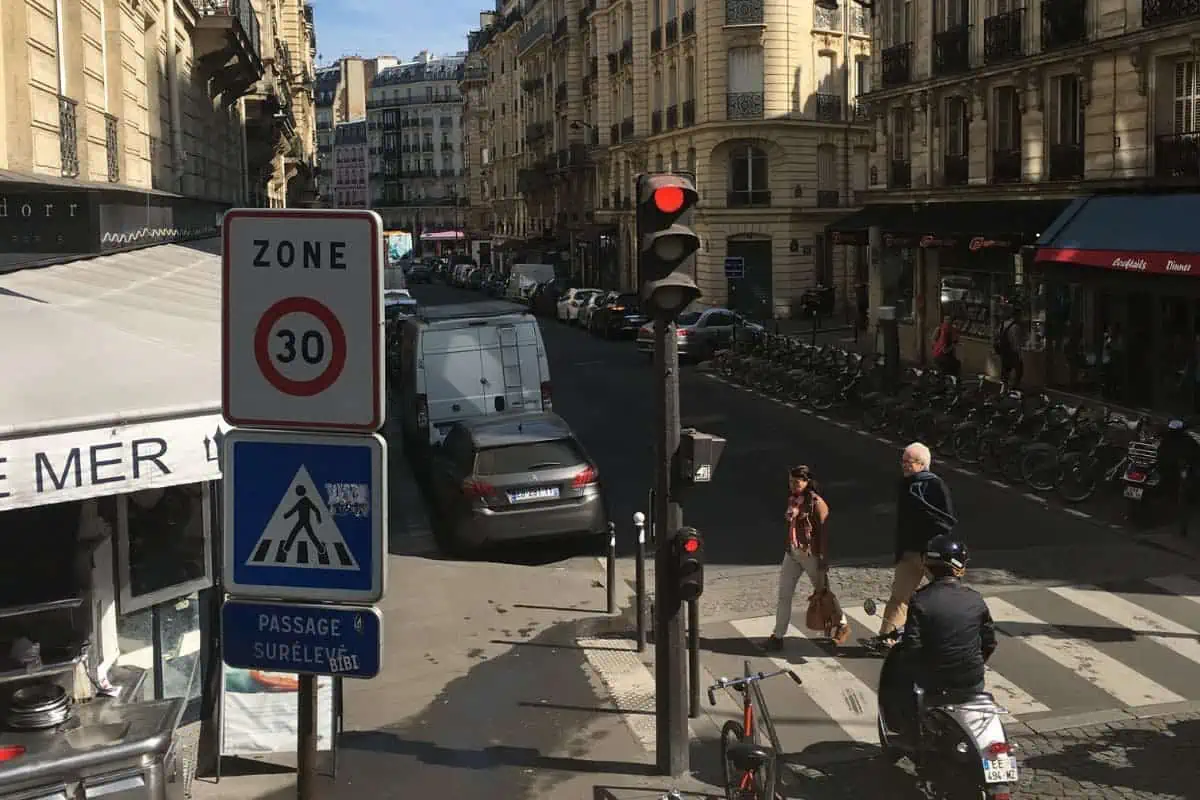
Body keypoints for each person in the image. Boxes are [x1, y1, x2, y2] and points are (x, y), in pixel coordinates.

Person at [880, 535, 997, 737]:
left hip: (935, 679)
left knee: (904, 685)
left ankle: (911, 735)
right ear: (959, 567)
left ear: (927, 566)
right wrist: (973, 662)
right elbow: (989, 641)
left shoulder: (921, 600)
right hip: (971, 677)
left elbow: (912, 646)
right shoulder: (975, 599)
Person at [765, 465, 849, 651]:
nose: (793, 486)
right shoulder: (793, 500)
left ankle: (842, 624)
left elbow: (823, 534)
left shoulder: (817, 503)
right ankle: (778, 636)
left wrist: (822, 559)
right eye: (790, 482)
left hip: (811, 555)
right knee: (784, 595)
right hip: (792, 552)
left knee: (823, 593)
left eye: (797, 482)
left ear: (806, 482)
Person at [879, 443, 956, 640]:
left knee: (945, 597)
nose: (904, 465)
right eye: (903, 461)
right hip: (909, 551)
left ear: (922, 464)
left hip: (931, 554)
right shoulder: (905, 484)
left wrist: (932, 537)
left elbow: (946, 520)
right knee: (899, 597)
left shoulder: (935, 485)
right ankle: (887, 638)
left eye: (909, 461)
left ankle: (952, 637)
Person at [993, 307, 1024, 389]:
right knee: (1019, 371)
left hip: (1004, 353)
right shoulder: (1015, 326)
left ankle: (1004, 388)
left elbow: (996, 336)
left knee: (1005, 372)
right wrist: (1019, 355)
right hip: (1012, 353)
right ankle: (1013, 388)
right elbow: (1016, 342)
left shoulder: (1002, 325)